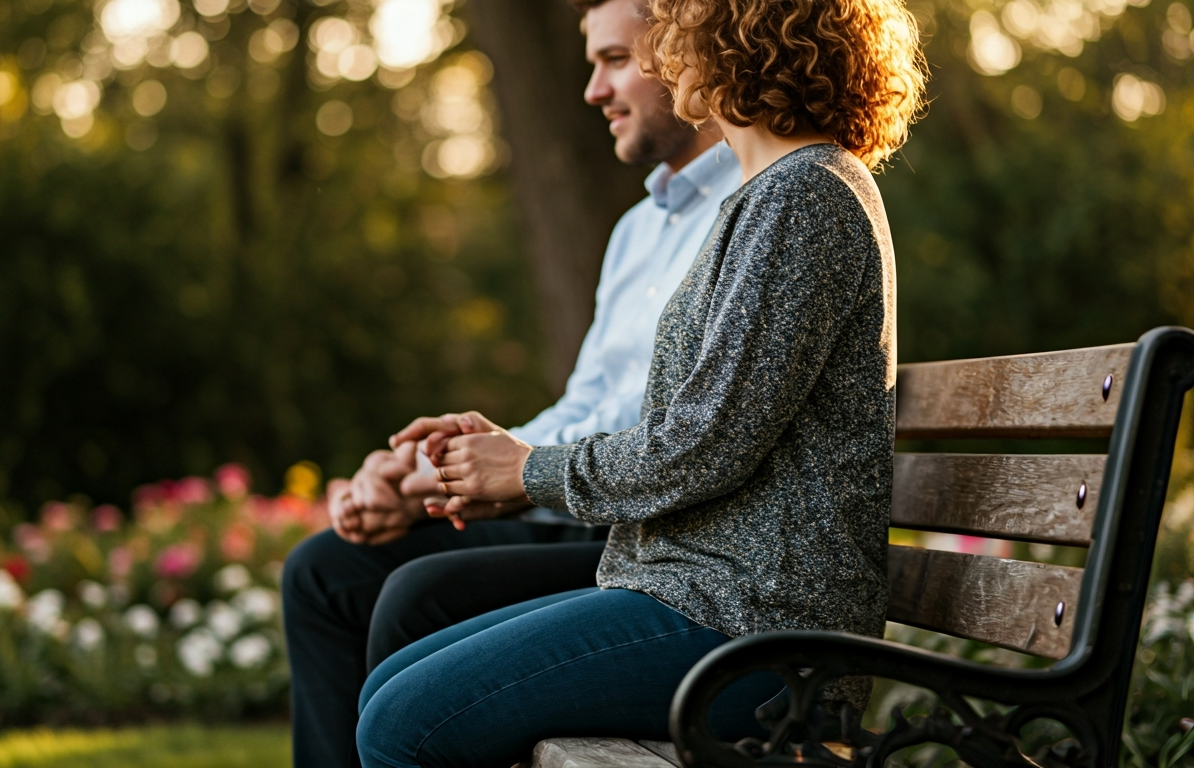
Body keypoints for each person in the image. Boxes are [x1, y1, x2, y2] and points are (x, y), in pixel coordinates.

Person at [353, 0, 927, 761]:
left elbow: (703, 445)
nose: (661, 53)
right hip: (705, 602)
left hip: (759, 633)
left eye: (675, 29)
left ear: (734, 37)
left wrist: (530, 468)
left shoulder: (807, 195)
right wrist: (513, 455)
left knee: (402, 724)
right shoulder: (768, 198)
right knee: (391, 689)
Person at [280, 0, 743, 764]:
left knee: (416, 599)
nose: (593, 90)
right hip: (593, 507)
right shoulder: (637, 231)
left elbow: (683, 435)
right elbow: (586, 406)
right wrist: (435, 477)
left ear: (686, 56)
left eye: (615, 60)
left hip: (652, 535)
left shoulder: (756, 208)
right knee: (324, 572)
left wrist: (506, 469)